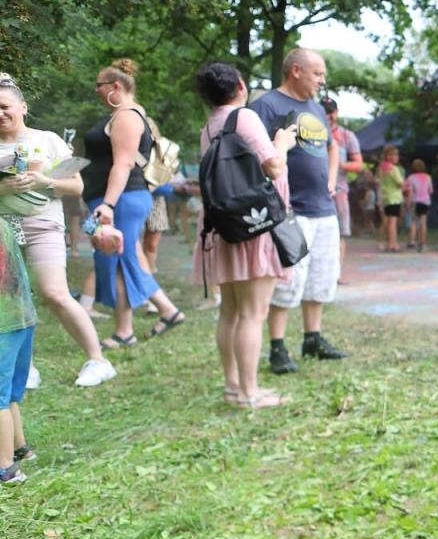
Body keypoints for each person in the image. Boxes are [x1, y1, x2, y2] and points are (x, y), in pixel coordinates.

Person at [191, 62, 297, 409]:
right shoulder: (245, 117)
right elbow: (274, 166)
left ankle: (233, 387)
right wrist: (282, 142)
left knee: (231, 312)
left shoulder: (208, 127)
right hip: (252, 223)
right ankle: (250, 394)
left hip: (223, 224)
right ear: (239, 85)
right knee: (253, 312)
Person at [0, 74, 116, 386]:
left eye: (4, 106)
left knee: (54, 293)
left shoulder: (47, 140)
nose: (0, 113)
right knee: (11, 302)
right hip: (2, 232)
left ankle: (98, 360)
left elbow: (75, 185)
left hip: (42, 225)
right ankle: (27, 369)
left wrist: (44, 181)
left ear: (23, 107)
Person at [250, 48, 345, 374]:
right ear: (295, 70)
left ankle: (312, 338)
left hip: (323, 208)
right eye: (317, 74)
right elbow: (251, 152)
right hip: (290, 210)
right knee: (287, 281)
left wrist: (331, 180)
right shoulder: (266, 106)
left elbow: (332, 149)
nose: (321, 81)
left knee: (320, 276)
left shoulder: (316, 108)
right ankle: (277, 347)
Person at [83, 59, 187, 348]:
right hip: (117, 199)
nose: (95, 91)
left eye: (98, 85)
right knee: (124, 259)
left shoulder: (126, 116)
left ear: (116, 86)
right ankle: (167, 311)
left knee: (118, 262)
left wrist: (108, 205)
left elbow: (124, 164)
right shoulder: (122, 115)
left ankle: (125, 330)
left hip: (122, 199)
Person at [0, 211, 36, 484]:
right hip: (22, 317)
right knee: (9, 392)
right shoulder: (3, 220)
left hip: (3, 325)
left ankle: (5, 467)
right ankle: (20, 448)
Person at [323, 97, 363, 280]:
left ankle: (336, 275)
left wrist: (342, 164)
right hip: (316, 191)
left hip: (339, 191)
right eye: (324, 111)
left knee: (339, 235)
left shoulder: (347, 136)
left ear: (336, 113)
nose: (328, 115)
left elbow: (359, 164)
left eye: (331, 111)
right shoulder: (309, 132)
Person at [377, 146, 404, 251]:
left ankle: (389, 242)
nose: (397, 157)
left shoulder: (382, 168)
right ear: (388, 156)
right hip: (394, 198)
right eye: (395, 155)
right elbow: (400, 183)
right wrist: (406, 186)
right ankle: (393, 244)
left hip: (386, 197)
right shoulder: (394, 168)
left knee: (387, 221)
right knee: (393, 222)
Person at [403, 159, 432, 251]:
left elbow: (409, 191)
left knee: (414, 221)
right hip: (425, 202)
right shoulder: (428, 177)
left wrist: (408, 203)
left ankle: (412, 241)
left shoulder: (411, 177)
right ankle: (422, 242)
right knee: (423, 222)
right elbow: (431, 190)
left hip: (415, 201)